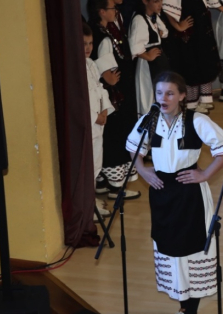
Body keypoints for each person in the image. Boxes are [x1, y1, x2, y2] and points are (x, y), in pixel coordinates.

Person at [126, 71, 223, 314]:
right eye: (159, 93)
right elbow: (133, 148)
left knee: (190, 250)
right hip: (162, 193)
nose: (163, 98)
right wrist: (144, 171)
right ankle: (183, 305)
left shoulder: (197, 121)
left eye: (169, 93)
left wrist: (205, 174)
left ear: (182, 96)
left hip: (189, 194)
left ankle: (191, 313)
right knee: (170, 248)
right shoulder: (148, 121)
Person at [87, 0, 141, 200]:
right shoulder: (103, 37)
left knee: (111, 137)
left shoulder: (105, 32)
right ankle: (116, 186)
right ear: (102, 11)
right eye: (112, 8)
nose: (115, 11)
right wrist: (113, 78)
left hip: (112, 97)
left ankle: (102, 181)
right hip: (114, 98)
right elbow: (108, 75)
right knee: (115, 138)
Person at [161, 0, 221, 114]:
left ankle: (201, 99)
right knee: (190, 64)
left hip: (198, 28)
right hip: (187, 33)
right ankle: (191, 104)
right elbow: (166, 7)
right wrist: (178, 26)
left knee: (201, 61)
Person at [83, 22, 115, 219]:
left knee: (96, 165)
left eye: (90, 43)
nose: (88, 48)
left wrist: (104, 111)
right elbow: (78, 99)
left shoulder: (91, 64)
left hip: (99, 123)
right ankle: (86, 209)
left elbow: (101, 90)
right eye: (84, 44)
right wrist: (94, 116)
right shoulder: (74, 69)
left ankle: (92, 204)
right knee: (87, 167)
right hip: (89, 124)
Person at [128, 0, 169, 116]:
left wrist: (158, 33)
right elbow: (134, 45)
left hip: (158, 64)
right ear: (145, 1)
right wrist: (147, 56)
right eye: (156, 1)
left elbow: (165, 31)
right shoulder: (139, 19)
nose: (160, 4)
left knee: (159, 96)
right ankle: (149, 129)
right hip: (147, 66)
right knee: (149, 97)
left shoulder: (153, 17)